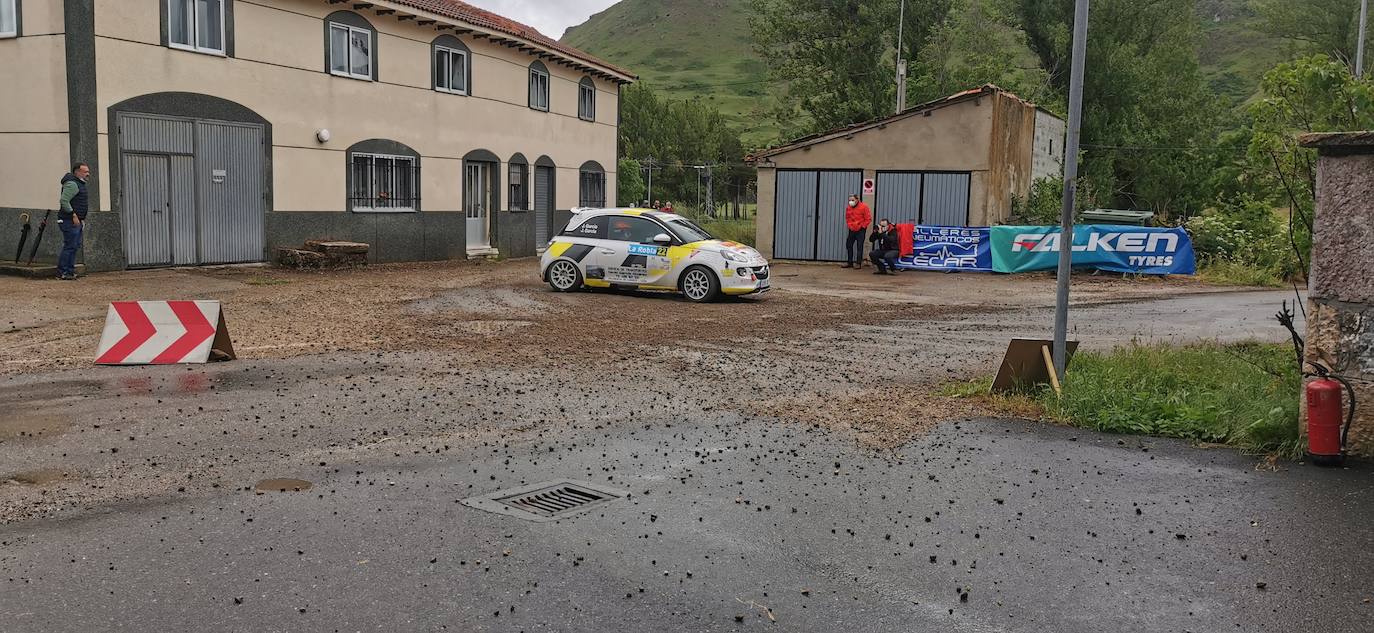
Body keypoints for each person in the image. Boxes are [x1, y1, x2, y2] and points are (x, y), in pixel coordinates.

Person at [56, 162, 90, 281]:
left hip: (76, 221)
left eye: (88, 171)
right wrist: (73, 215)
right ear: (77, 172)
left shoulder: (79, 184)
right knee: (70, 246)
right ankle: (63, 272)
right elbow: (64, 201)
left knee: (74, 246)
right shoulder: (72, 184)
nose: (88, 174)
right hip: (69, 221)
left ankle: (69, 271)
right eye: (85, 172)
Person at [843, 194, 871, 268]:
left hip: (860, 230)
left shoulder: (864, 207)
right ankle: (850, 262)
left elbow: (868, 219)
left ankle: (858, 263)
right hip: (852, 229)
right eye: (849, 200)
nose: (850, 202)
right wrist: (850, 225)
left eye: (852, 200)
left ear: (857, 199)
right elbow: (847, 218)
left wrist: (862, 226)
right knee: (849, 245)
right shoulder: (848, 208)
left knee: (859, 246)